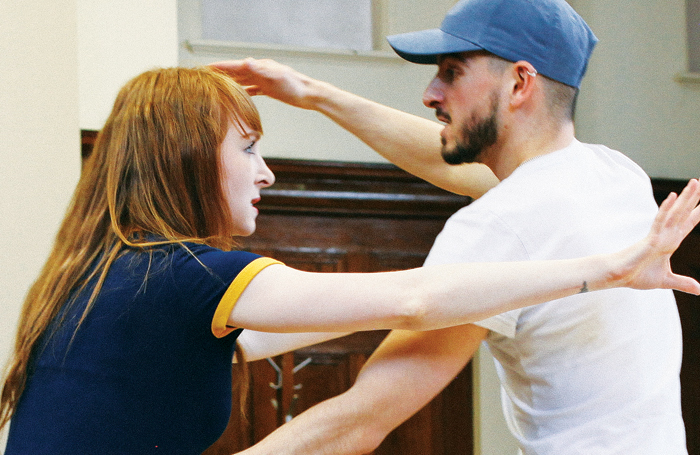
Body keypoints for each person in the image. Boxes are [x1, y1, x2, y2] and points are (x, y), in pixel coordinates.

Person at [3, 66, 696, 454]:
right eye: (248, 149)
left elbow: (280, 335)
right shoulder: (188, 277)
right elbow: (416, 300)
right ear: (184, 158)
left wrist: (317, 94)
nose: (268, 173)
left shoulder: (103, 278)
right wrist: (607, 268)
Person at [214, 0, 698, 454]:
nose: (430, 94)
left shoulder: (499, 226)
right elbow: (453, 164)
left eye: (452, 73)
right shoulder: (617, 174)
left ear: (519, 82)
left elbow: (360, 419)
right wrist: (313, 93)